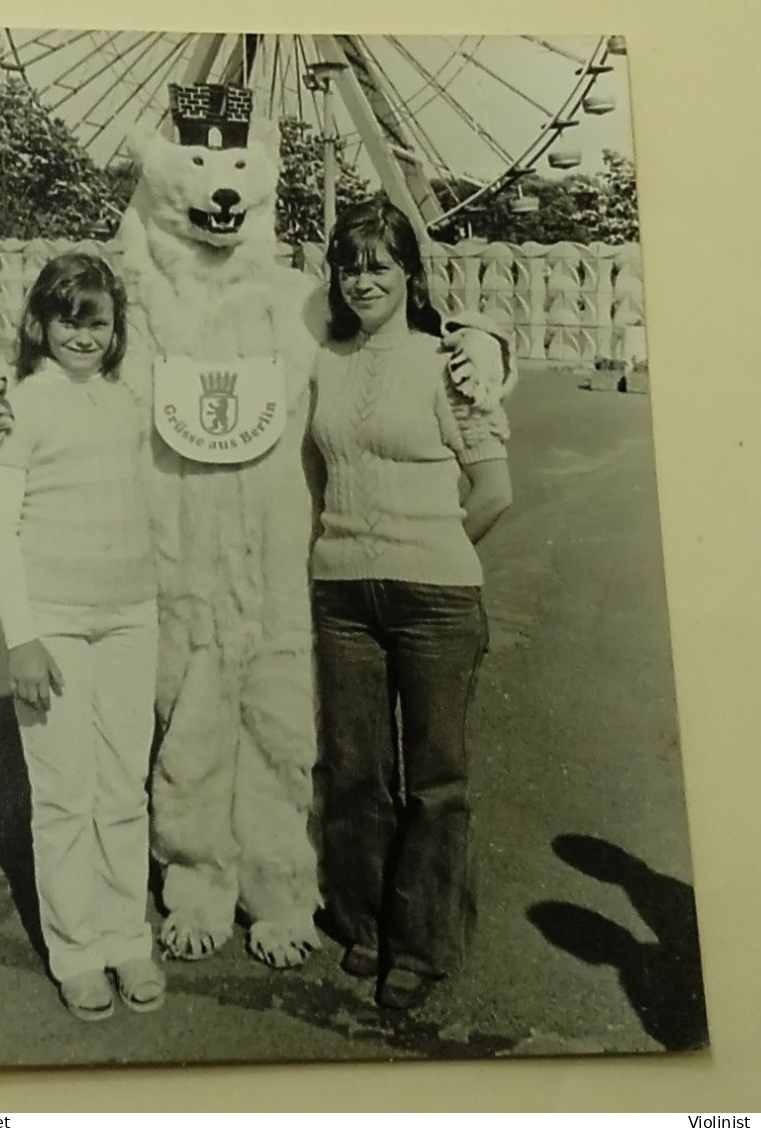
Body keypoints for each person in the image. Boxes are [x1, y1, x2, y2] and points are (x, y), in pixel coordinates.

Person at [308, 199, 513, 1011]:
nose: (363, 281)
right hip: (340, 593)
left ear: (409, 275)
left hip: (435, 597)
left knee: (436, 779)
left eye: (379, 266)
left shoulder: (448, 363)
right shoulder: (321, 363)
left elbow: (495, 490)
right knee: (356, 770)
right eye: (350, 266)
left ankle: (423, 944)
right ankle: (364, 923)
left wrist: (433, 550)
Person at [0, 252, 165, 1021]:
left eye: (99, 321)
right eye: (69, 319)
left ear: (118, 328)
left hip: (131, 616)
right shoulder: (15, 405)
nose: (84, 336)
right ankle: (78, 949)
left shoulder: (126, 402)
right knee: (63, 795)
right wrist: (22, 637)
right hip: (52, 623)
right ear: (40, 323)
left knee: (124, 787)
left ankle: (127, 935)